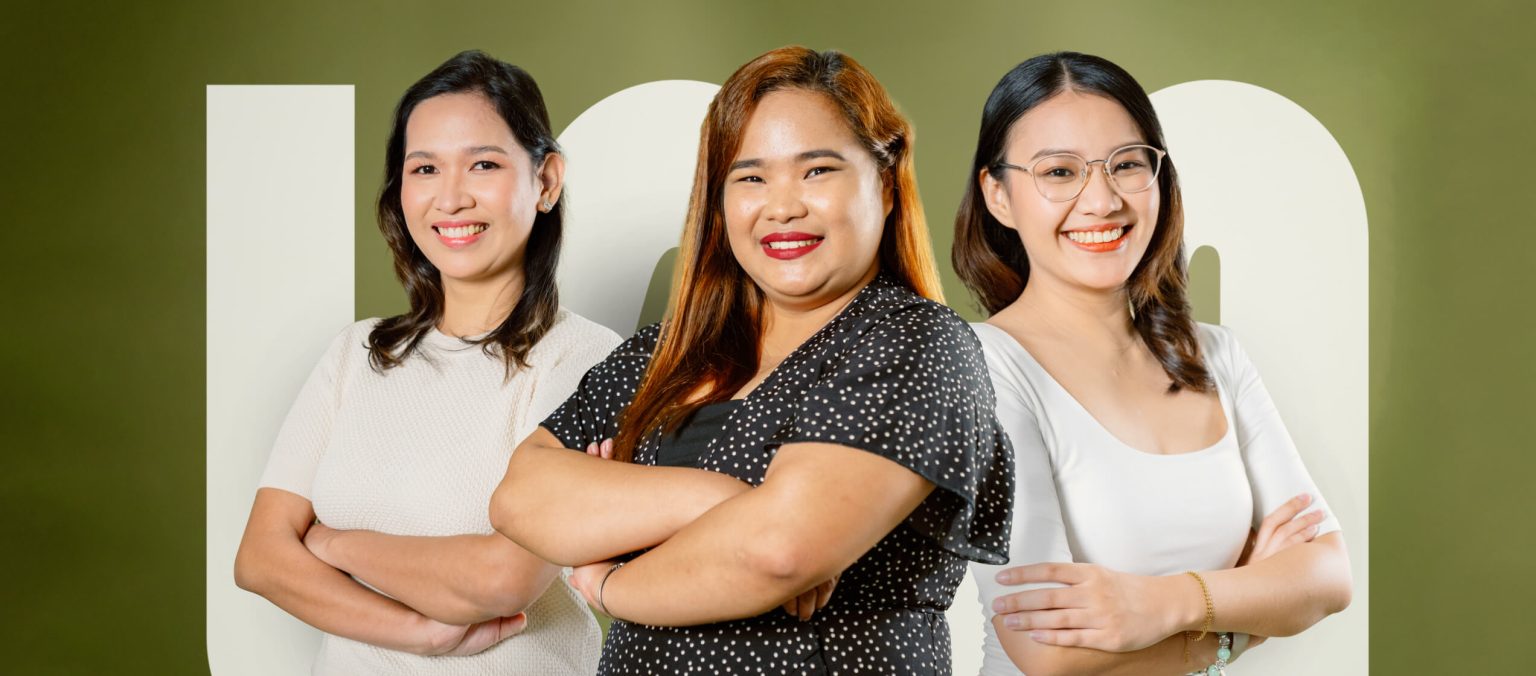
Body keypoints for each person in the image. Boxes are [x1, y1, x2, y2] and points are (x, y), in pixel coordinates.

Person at [490, 46, 1014, 674]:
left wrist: (609, 585)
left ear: (885, 177)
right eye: (750, 177)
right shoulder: (667, 352)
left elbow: (778, 550)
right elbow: (522, 498)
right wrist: (725, 501)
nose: (782, 206)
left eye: (817, 171)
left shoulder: (917, 344)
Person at [953, 51, 1353, 675]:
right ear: (998, 195)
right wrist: (1242, 617)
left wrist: (1163, 603)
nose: (1102, 200)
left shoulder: (1216, 355)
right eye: (1059, 172)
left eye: (1128, 165)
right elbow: (1050, 654)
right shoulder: (979, 366)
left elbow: (1328, 574)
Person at [233, 50, 618, 675]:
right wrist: (421, 633)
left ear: (546, 181)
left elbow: (503, 577)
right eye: (425, 168)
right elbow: (260, 559)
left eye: (484, 164)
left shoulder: (586, 359)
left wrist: (330, 542)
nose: (450, 197)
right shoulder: (355, 354)